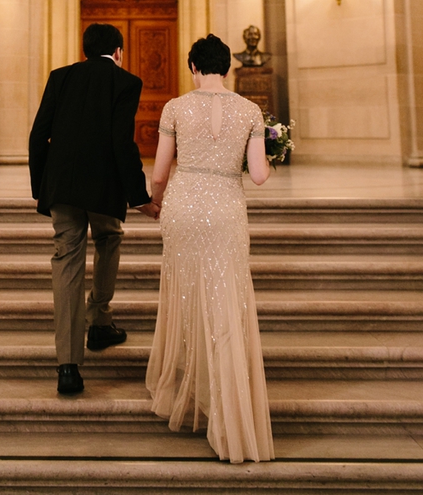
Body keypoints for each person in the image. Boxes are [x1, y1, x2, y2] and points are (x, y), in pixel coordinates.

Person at [146, 33, 274, 462]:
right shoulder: (251, 110)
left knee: (186, 296)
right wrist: (271, 151)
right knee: (225, 302)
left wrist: (155, 201)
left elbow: (161, 171)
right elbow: (258, 176)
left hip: (183, 208)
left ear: (193, 68)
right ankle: (228, 410)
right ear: (228, 67)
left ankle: (195, 390)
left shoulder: (176, 107)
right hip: (226, 208)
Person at [29, 23, 159, 396]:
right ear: (118, 51)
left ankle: (68, 366)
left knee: (66, 262)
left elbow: (39, 135)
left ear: (85, 49)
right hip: (103, 187)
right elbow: (122, 143)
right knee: (109, 236)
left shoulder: (60, 77)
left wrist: (43, 189)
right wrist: (139, 197)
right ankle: (99, 320)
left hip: (63, 188)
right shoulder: (126, 82)